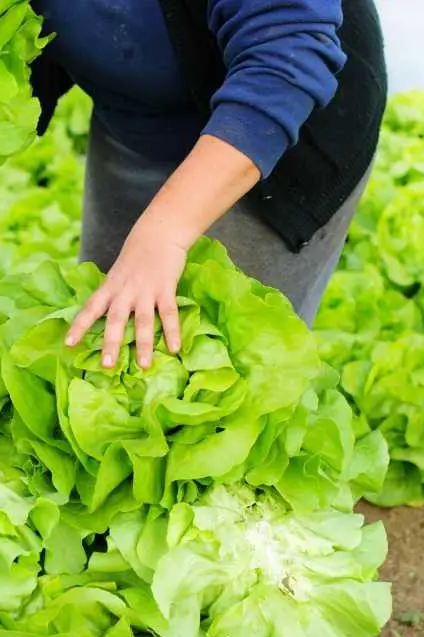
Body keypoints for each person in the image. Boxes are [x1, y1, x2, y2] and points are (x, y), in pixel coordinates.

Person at [29, 0, 388, 369]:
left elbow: (286, 57)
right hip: (137, 115)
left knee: (222, 362)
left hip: (276, 132)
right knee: (106, 332)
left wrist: (163, 232)